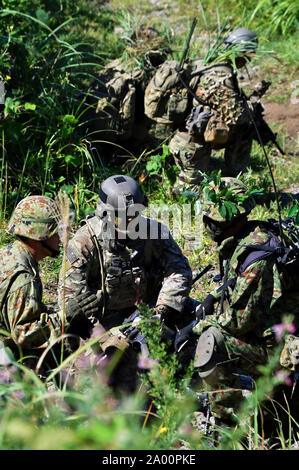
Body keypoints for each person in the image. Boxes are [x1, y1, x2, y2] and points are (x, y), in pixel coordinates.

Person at [174, 177, 299, 425]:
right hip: (270, 330)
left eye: (211, 220)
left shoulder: (257, 256)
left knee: (212, 339)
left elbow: (237, 322)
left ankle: (231, 422)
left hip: (281, 346)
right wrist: (213, 296)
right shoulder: (249, 237)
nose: (206, 225)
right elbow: (236, 285)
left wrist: (195, 328)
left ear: (229, 220)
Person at [59, 174, 193, 393]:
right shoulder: (84, 243)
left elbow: (179, 270)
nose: (132, 222)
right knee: (98, 379)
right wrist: (108, 337)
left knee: (191, 331)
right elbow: (71, 302)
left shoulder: (154, 232)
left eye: (136, 214)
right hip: (98, 326)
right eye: (124, 217)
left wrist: (160, 312)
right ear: (106, 216)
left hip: (147, 315)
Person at [0, 196, 100, 379]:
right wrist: (66, 316)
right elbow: (23, 335)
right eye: (56, 232)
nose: (62, 238)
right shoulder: (23, 278)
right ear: (40, 235)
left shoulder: (10, 254)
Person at [165, 28, 260, 193]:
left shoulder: (208, 63)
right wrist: (254, 101)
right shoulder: (220, 75)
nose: (248, 61)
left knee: (243, 132)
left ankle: (232, 175)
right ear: (241, 53)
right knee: (191, 193)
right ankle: (233, 179)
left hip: (186, 136)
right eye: (248, 56)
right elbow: (237, 117)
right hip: (190, 145)